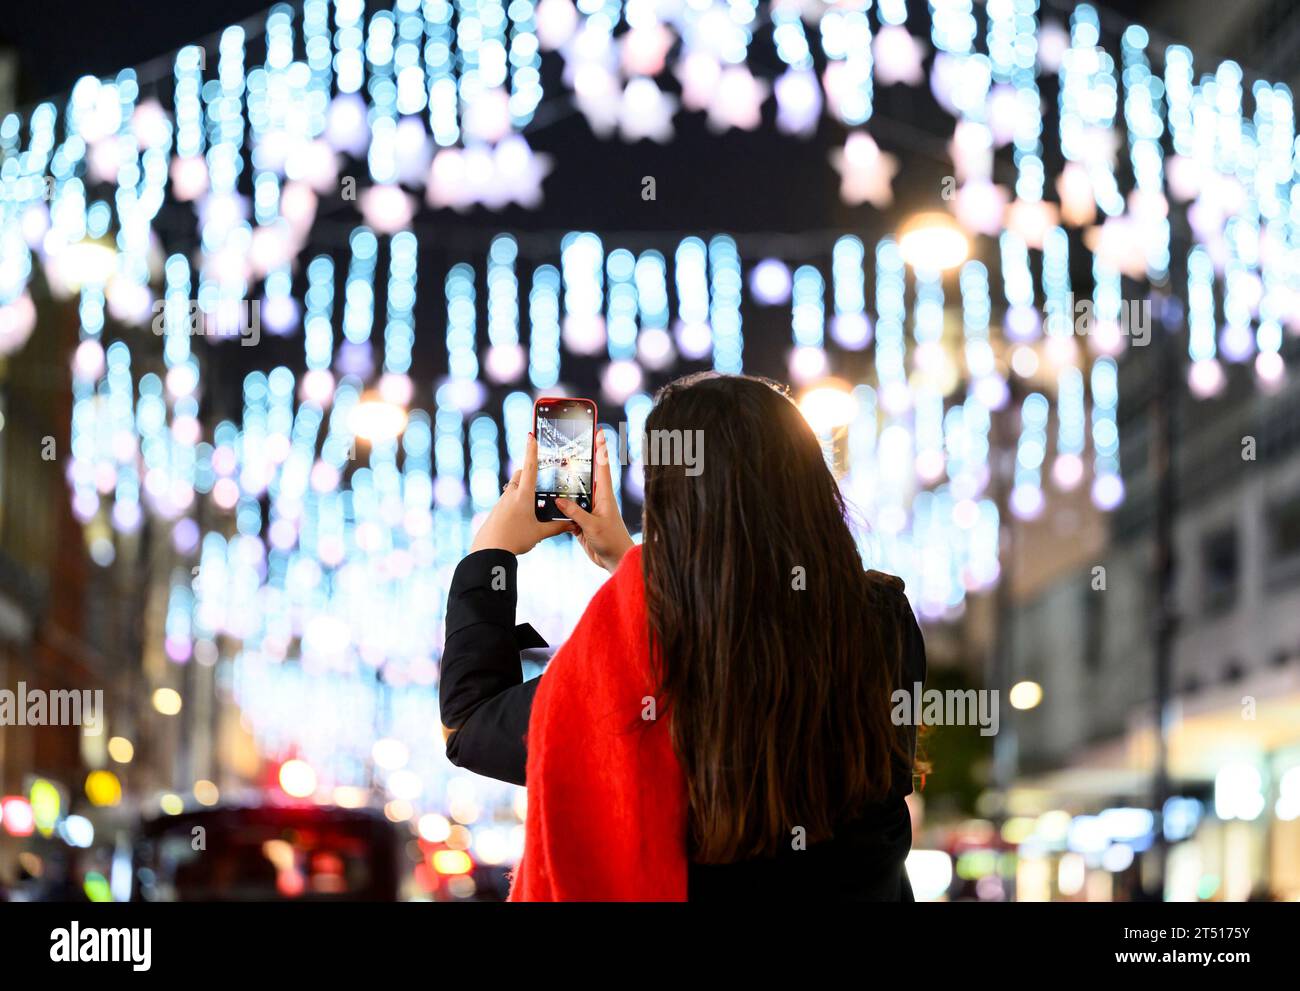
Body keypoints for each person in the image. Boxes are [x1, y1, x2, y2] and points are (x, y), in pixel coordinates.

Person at [440, 372, 926, 900]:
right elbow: (753, 626)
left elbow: (468, 726)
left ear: (671, 505)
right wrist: (627, 562)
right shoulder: (882, 621)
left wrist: (489, 556)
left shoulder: (643, 654)